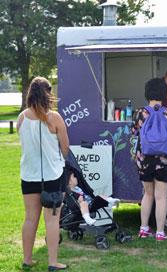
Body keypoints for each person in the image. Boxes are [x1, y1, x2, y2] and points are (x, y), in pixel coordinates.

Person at [17, 77, 69, 271]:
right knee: (52, 220)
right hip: (52, 176)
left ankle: (27, 259)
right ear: (48, 94)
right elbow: (65, 147)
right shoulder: (54, 118)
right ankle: (53, 262)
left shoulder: (21, 117)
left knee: (30, 218)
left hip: (29, 176)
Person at [132, 78, 167, 241]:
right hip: (164, 159)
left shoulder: (139, 113)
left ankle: (144, 229)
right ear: (163, 93)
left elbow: (134, 132)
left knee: (148, 194)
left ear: (147, 92)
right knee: (161, 196)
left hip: (144, 158)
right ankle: (159, 232)